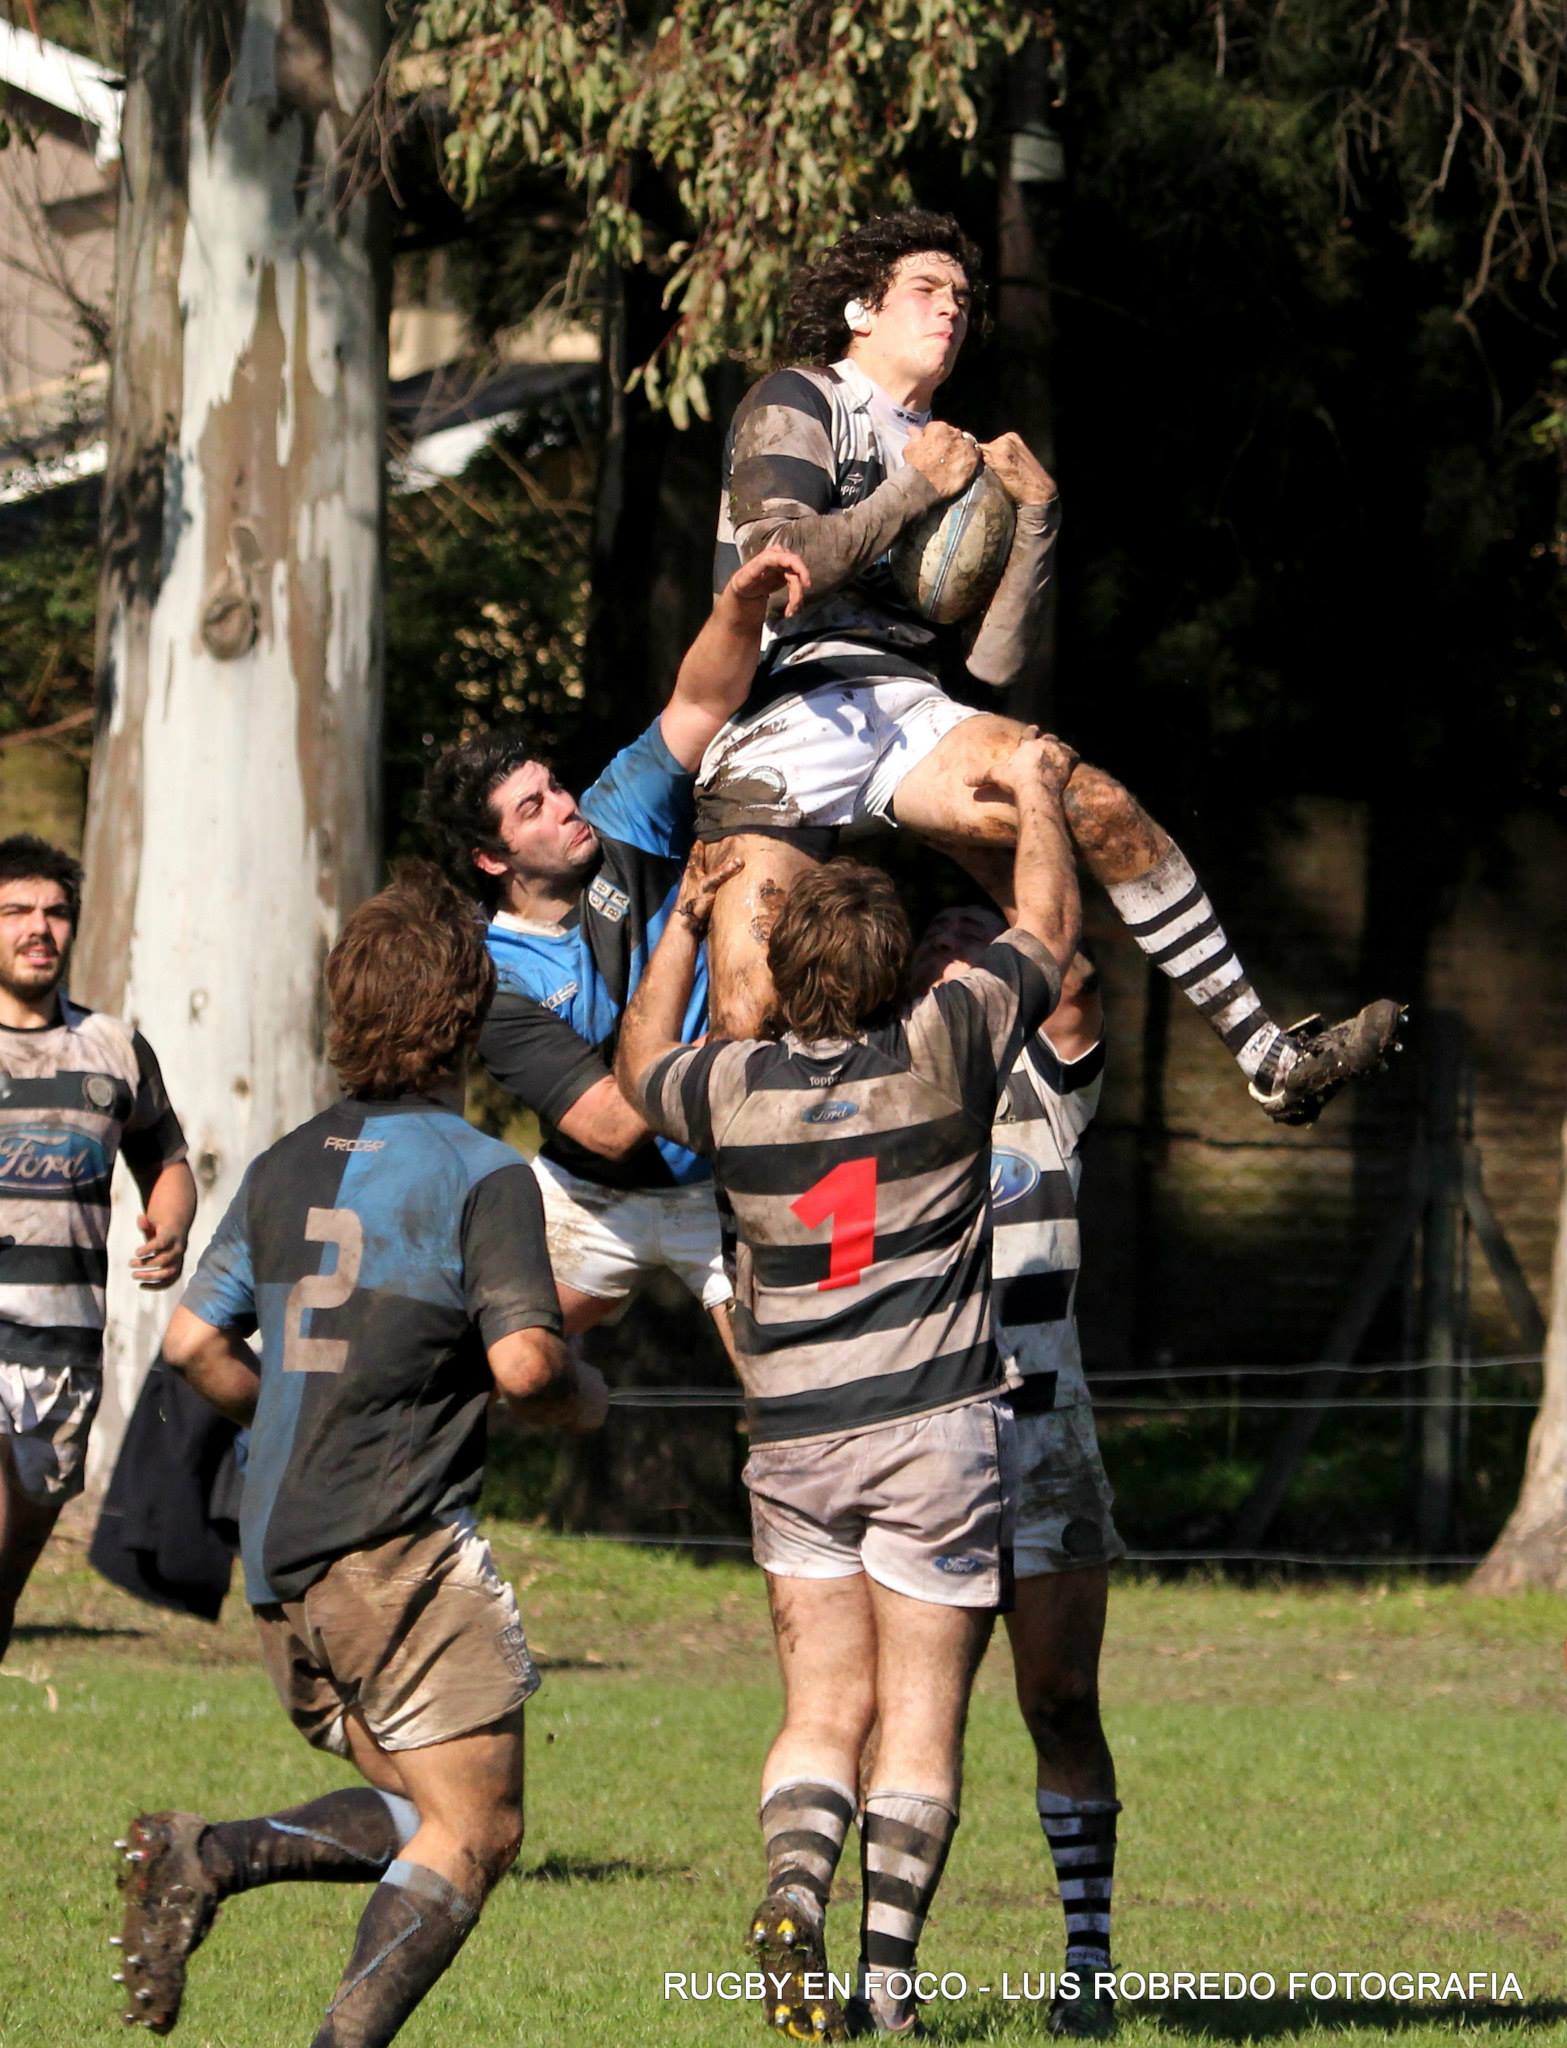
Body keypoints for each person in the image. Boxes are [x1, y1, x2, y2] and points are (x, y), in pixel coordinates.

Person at [696, 207, 1401, 1124]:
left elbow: (991, 664)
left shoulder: (955, 454)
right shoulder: (798, 398)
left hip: (906, 707)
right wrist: (913, 488)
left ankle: (1269, 1055)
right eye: (924, 288)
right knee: (747, 1023)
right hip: (784, 710)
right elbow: (776, 565)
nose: (950, 308)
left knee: (1089, 798)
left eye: (961, 296)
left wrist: (1036, 520)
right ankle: (732, 1217)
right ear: (860, 309)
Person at [618, 731, 1082, 2041]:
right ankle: (884, 1988)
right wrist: (1037, 793)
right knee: (920, 1718)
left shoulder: (731, 1088)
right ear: (901, 972)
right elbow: (1047, 930)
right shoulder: (944, 1045)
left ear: (780, 969)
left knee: (821, 1706)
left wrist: (685, 924)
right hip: (933, 1433)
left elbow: (635, 1068)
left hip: (794, 1440)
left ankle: (790, 1885)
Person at [113, 862, 606, 2045]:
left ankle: (208, 1853)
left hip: (279, 1553)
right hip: (393, 1547)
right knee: (477, 1827)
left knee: (421, 1797)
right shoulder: (483, 1171)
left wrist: (296, 1413)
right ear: (468, 1011)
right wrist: (584, 1392)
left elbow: (190, 1342)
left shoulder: (285, 1160)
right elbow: (526, 1365)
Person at [422, 545, 808, 1358]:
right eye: (532, 808)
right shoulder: (493, 979)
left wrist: (739, 603)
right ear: (491, 859)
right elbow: (606, 1128)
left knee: (782, 1380)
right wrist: (733, 1037)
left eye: (554, 786)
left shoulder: (618, 814)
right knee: (500, 1370)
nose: (565, 807)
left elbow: (701, 699)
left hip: (717, 1175)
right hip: (592, 1197)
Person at [912, 906, 1121, 2040]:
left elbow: (1073, 977)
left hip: (1045, 1440)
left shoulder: (1046, 1091)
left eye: (992, 959)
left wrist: (982, 831)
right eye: (949, 961)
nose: (974, 963)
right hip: (917, 1446)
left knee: (1060, 1700)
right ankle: (886, 1965)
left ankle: (1087, 1961)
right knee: (911, 1722)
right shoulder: (884, 1095)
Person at [0, 834, 195, 1661]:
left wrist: (171, 1223)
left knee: (7, 1576)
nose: (37, 928)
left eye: (54, 912)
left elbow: (167, 1160)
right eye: (15, 911)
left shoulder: (114, 1048)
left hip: (66, 1352)